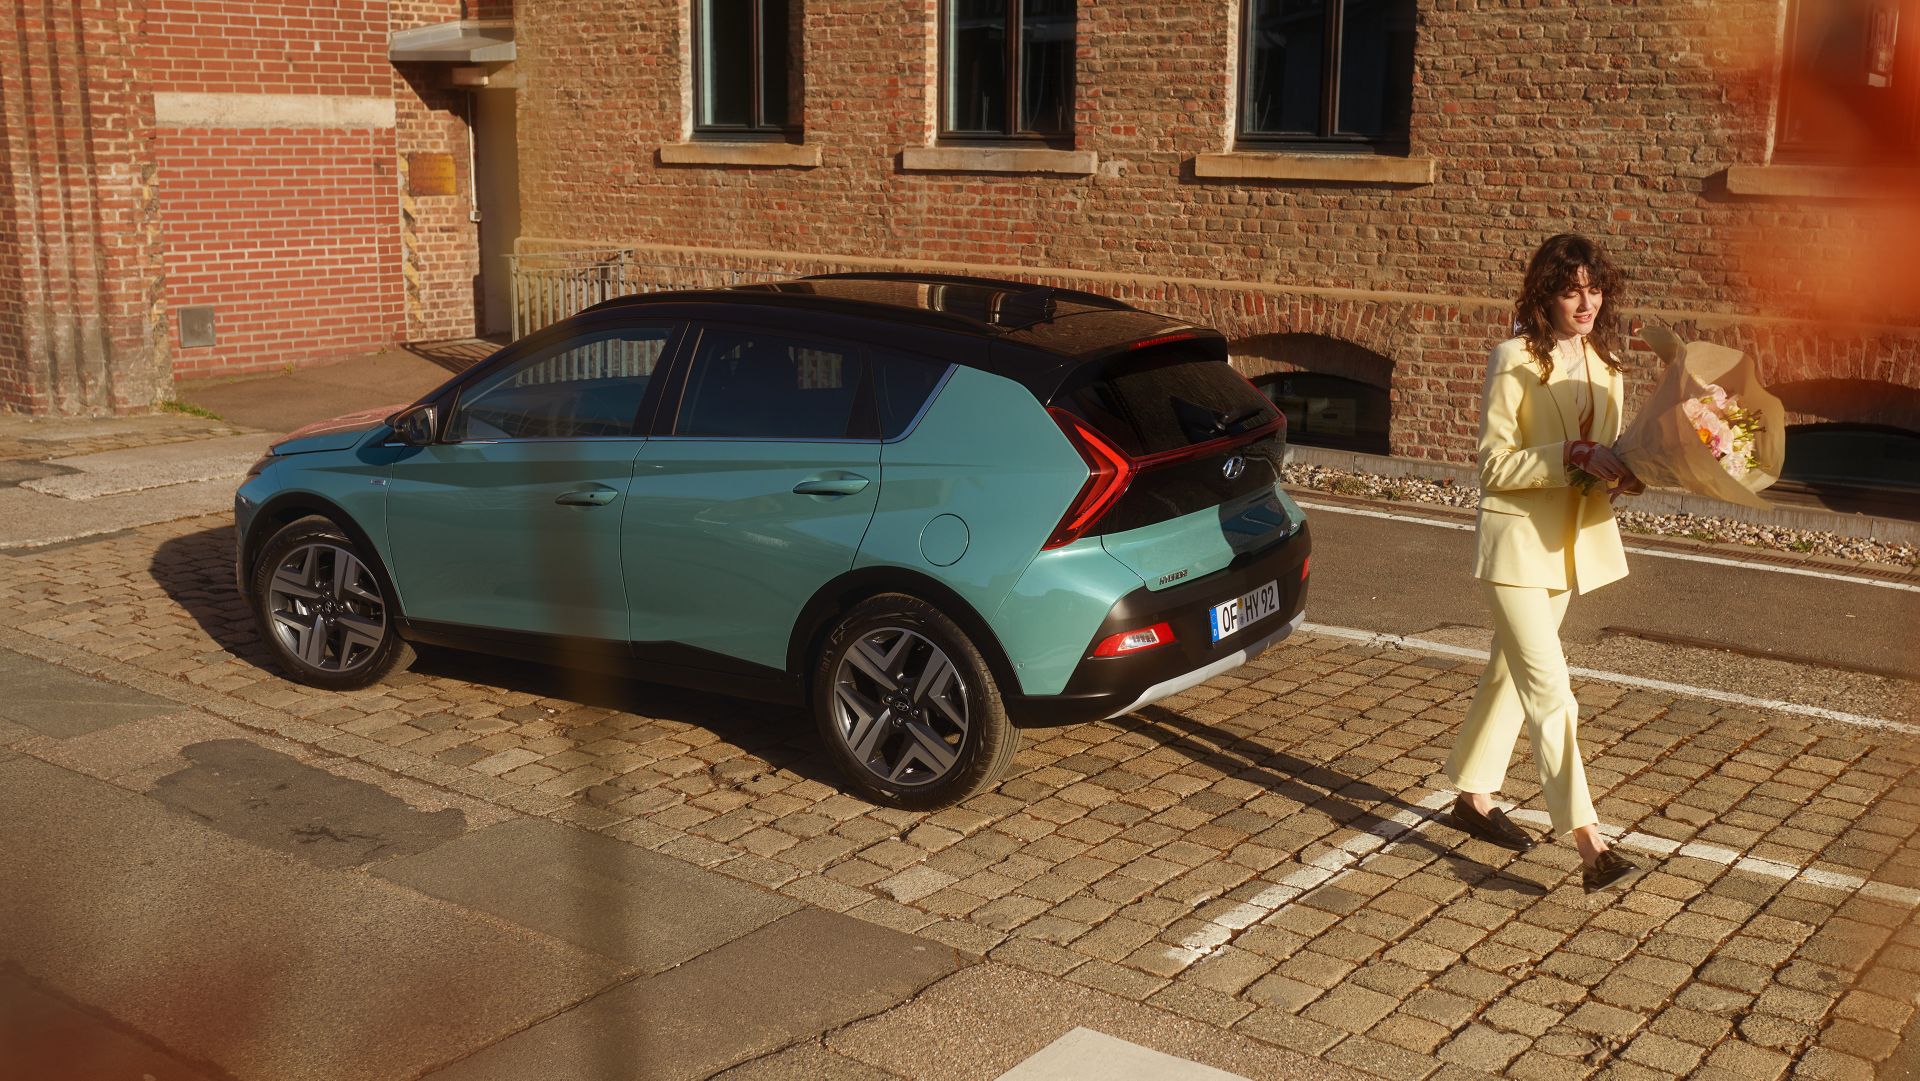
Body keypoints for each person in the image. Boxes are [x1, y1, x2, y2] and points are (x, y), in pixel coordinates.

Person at [1444, 232, 1648, 893]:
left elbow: (1606, 455)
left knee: (1510, 672)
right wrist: (1571, 456)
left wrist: (1625, 474)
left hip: (1569, 547)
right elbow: (1494, 465)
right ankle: (1589, 840)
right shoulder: (1514, 359)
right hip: (1515, 548)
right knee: (1551, 690)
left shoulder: (1609, 365)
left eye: (1594, 288)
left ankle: (1471, 795)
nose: (1585, 301)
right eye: (1571, 289)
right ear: (1547, 295)